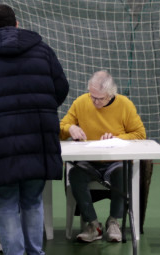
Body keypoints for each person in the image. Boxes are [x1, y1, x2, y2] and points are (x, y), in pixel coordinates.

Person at [0, 4, 69, 255]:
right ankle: (35, 252)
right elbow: (61, 89)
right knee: (32, 201)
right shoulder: (42, 51)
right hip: (38, 141)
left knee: (6, 203)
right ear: (17, 24)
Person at [59, 70, 146, 243]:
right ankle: (93, 224)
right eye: (93, 97)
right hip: (88, 162)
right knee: (75, 175)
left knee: (122, 173)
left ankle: (113, 221)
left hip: (114, 161)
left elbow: (140, 134)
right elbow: (62, 127)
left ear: (111, 94)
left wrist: (116, 138)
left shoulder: (125, 105)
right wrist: (70, 129)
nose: (95, 102)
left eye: (100, 98)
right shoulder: (81, 102)